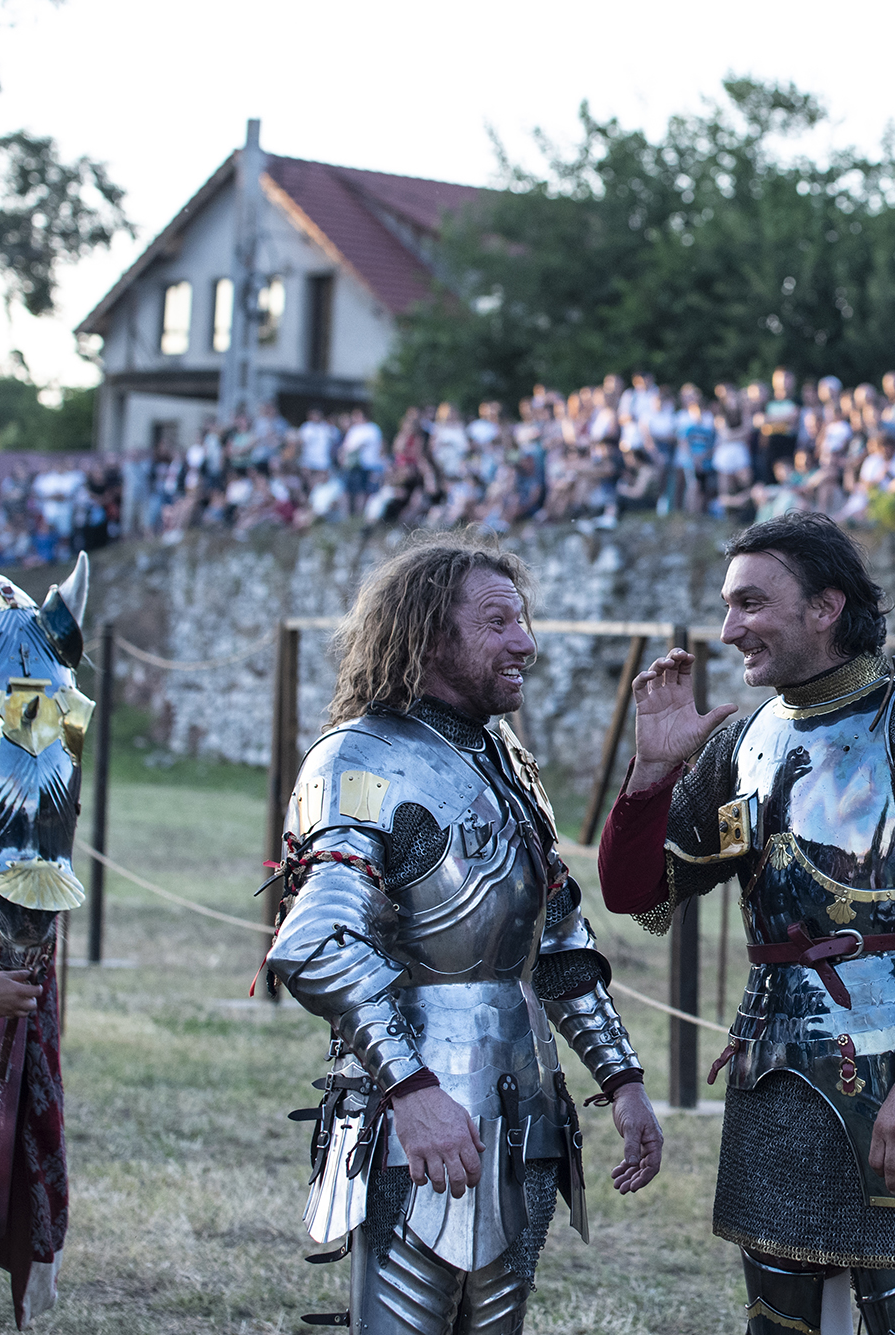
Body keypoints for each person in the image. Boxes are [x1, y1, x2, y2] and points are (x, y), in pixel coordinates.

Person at [596, 513, 895, 1334]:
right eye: (728, 606)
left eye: (752, 603)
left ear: (827, 606)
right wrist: (652, 774)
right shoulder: (745, 738)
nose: (729, 629)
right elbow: (636, 891)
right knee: (780, 1320)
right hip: (774, 1079)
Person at [265, 534, 664, 1333]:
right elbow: (317, 941)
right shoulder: (361, 758)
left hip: (525, 1108)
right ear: (428, 634)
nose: (527, 642)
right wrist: (411, 1091)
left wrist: (622, 1081)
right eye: (499, 622)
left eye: (523, 620)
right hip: (419, 1105)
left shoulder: (505, 758)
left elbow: (556, 939)